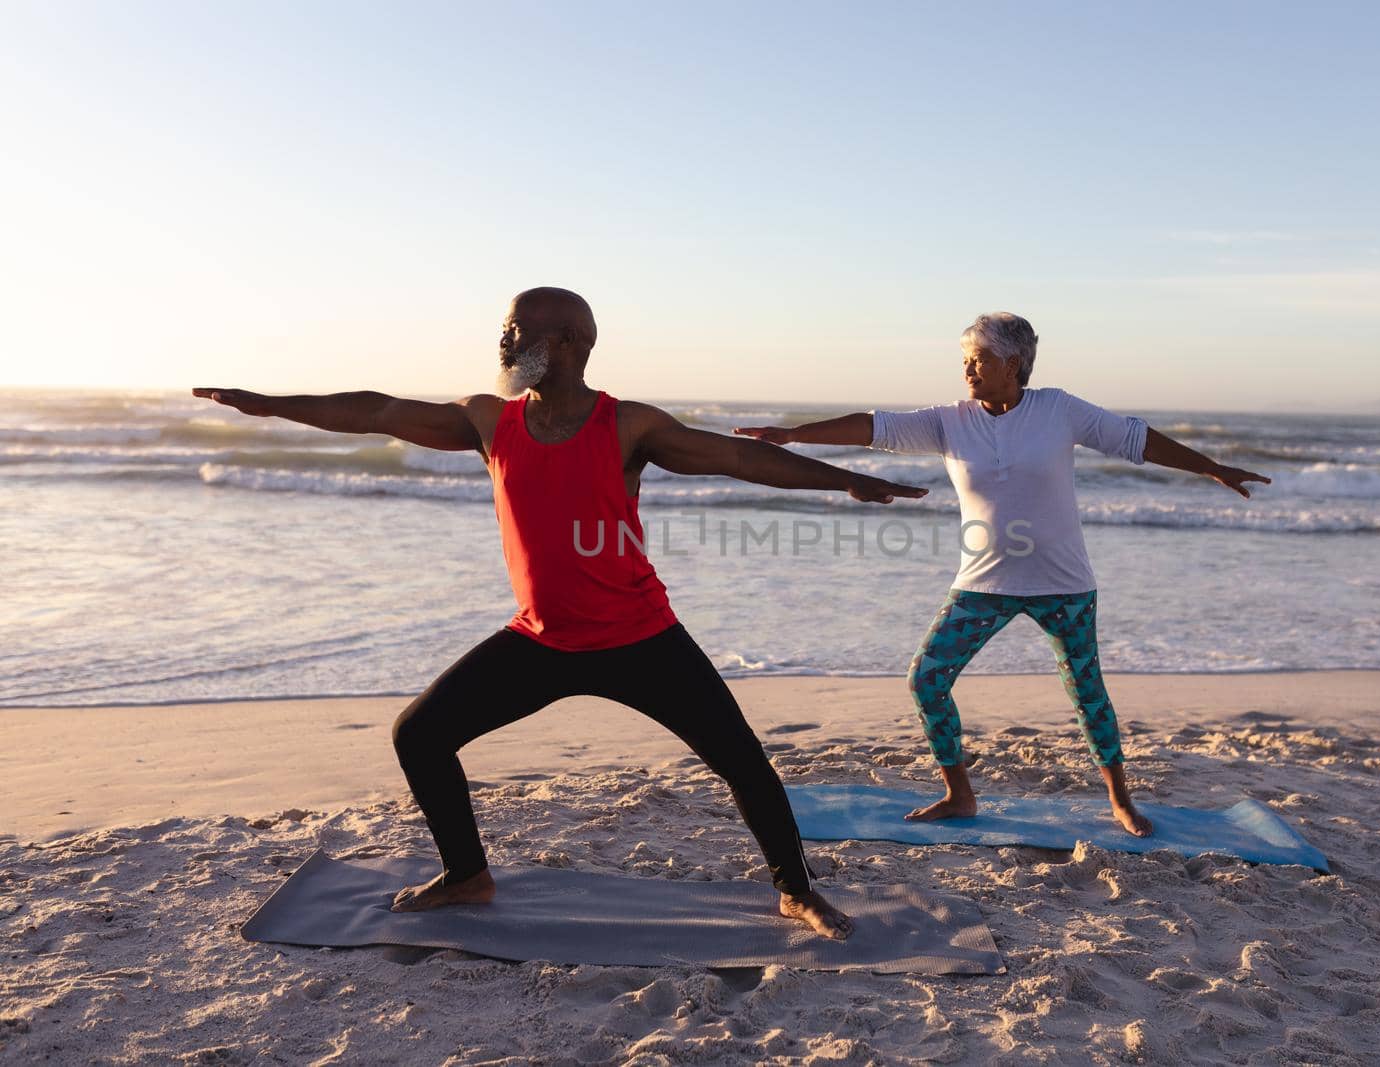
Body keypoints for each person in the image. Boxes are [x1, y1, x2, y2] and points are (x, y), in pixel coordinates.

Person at [194, 286, 927, 939]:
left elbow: (737, 460)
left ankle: (797, 890)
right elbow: (375, 410)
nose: (504, 342)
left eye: (517, 329)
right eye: (505, 330)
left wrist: (847, 482)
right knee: (419, 734)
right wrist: (271, 404)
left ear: (569, 344)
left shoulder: (627, 426)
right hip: (539, 640)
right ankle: (467, 874)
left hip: (641, 636)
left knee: (741, 760)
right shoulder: (489, 421)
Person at [734, 312, 1269, 835]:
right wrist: (794, 434)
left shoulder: (1058, 409)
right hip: (983, 584)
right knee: (926, 679)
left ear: (1012, 364)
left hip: (1063, 584)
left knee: (1087, 693)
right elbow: (875, 427)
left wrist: (1213, 467)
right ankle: (958, 794)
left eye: (980, 360)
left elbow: (1139, 440)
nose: (968, 370)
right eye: (966, 360)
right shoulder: (950, 420)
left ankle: (1121, 801)